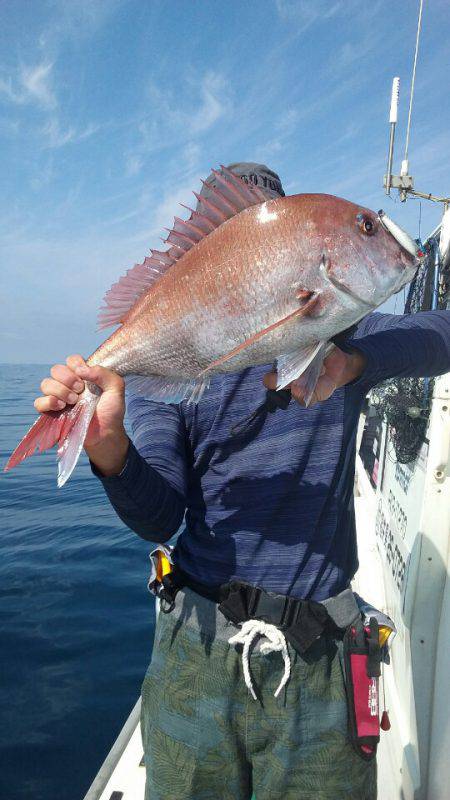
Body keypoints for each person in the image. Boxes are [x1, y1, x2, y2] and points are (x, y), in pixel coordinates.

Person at [34, 163, 450, 800]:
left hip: (320, 657)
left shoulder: (339, 338)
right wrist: (109, 446)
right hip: (196, 649)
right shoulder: (170, 371)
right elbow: (157, 516)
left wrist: (354, 362)